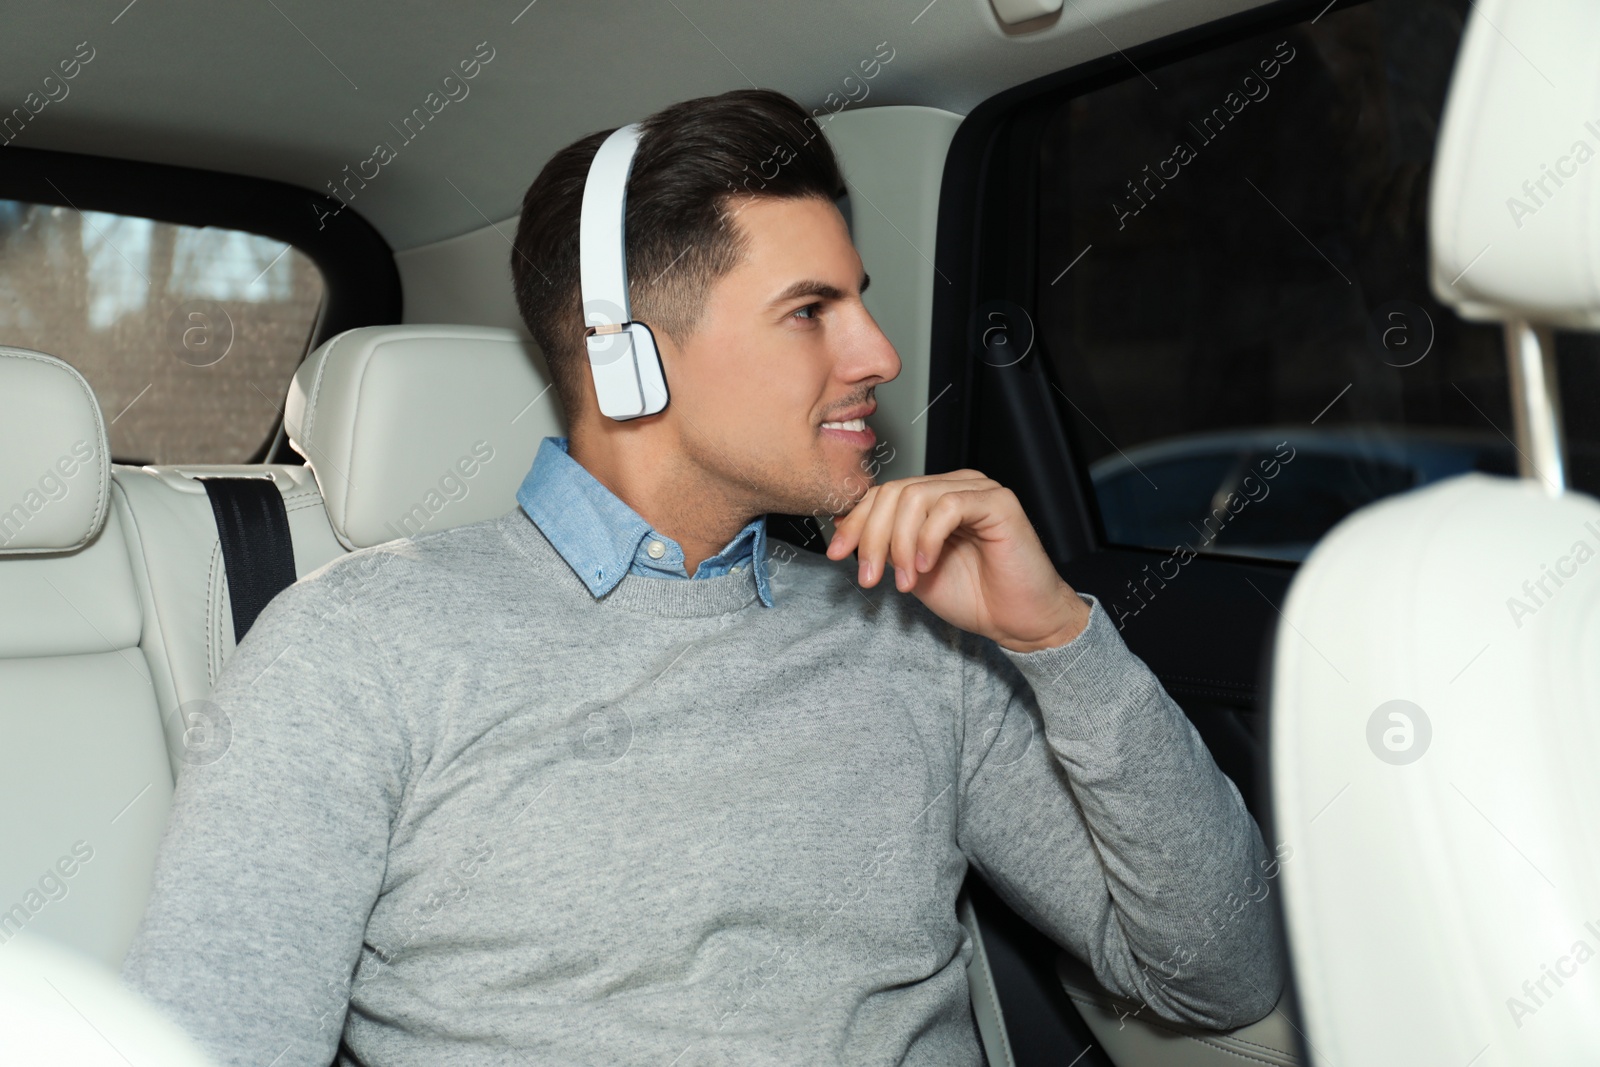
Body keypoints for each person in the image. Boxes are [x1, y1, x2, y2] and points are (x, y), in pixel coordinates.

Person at [122, 87, 1286, 1066]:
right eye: (809, 312)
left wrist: (1058, 638)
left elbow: (1221, 976)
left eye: (862, 300)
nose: (877, 354)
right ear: (622, 349)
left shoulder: (915, 633)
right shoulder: (357, 646)